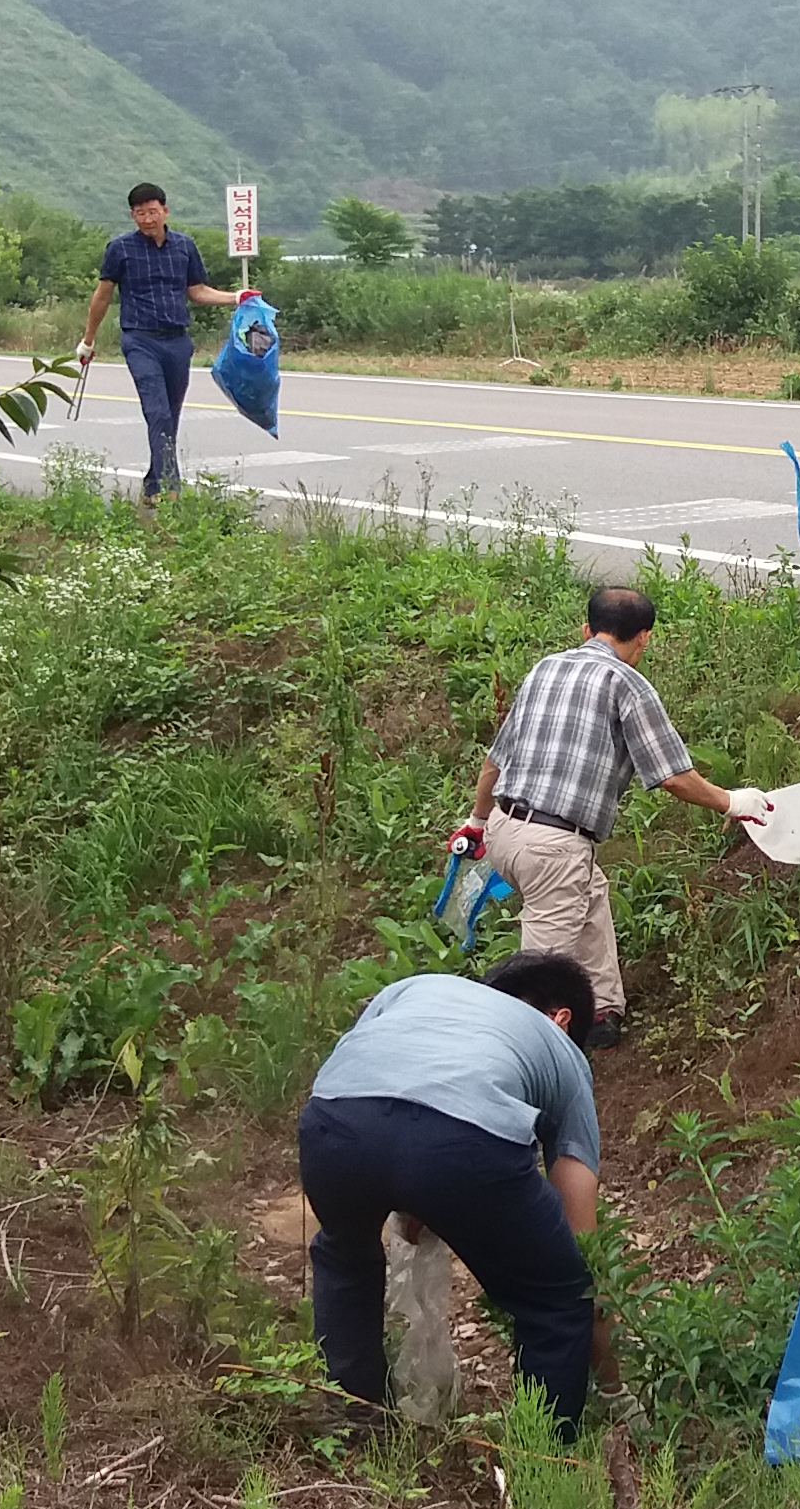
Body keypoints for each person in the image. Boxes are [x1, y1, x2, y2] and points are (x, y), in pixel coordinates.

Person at [453, 584, 771, 1047]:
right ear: (644, 638)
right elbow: (671, 775)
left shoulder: (545, 668)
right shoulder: (627, 683)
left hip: (504, 828)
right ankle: (516, 1053)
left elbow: (493, 763)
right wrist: (733, 802)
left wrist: (477, 824)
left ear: (587, 629)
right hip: (554, 845)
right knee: (542, 973)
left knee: (591, 898)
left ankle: (598, 1013)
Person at [298, 952, 607, 1426]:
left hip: (334, 1120)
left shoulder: (416, 989)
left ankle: (351, 1422)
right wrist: (610, 1369)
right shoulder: (560, 1049)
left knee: (345, 1258)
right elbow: (579, 1216)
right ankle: (544, 1453)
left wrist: (418, 1193)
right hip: (463, 1142)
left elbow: (388, 1092)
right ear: (563, 1020)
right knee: (557, 1300)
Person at [73, 182, 245, 503]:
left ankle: (154, 484)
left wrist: (236, 297)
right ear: (132, 216)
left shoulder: (184, 246)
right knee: (157, 412)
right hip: (139, 340)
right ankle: (171, 490)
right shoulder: (120, 249)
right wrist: (88, 340)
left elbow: (197, 291)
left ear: (165, 210)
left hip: (178, 342)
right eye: (140, 213)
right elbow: (102, 296)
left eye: (153, 211)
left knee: (170, 415)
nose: (147, 219)